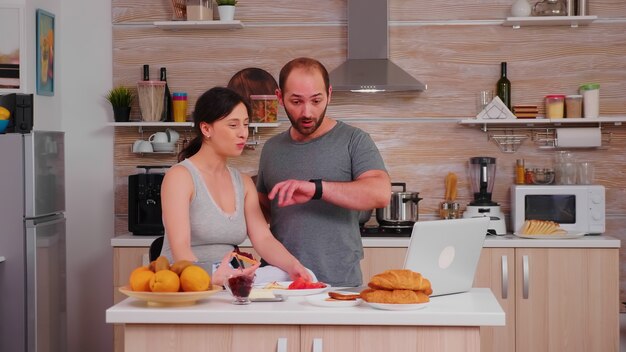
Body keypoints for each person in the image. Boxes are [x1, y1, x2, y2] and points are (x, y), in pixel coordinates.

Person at [256, 57, 391, 287]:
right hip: (280, 285)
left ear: (329, 94)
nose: (307, 112)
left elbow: (380, 193)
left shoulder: (354, 140)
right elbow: (261, 213)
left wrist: (317, 188)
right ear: (279, 97)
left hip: (340, 284)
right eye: (296, 101)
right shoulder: (271, 148)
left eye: (316, 100)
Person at [159, 86, 312, 286]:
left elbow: (263, 239)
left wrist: (294, 266)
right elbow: (180, 250)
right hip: (185, 279)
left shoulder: (244, 183)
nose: (243, 133)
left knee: (288, 274)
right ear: (206, 129)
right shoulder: (180, 177)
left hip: (228, 276)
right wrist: (210, 278)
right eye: (233, 125)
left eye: (246, 124)